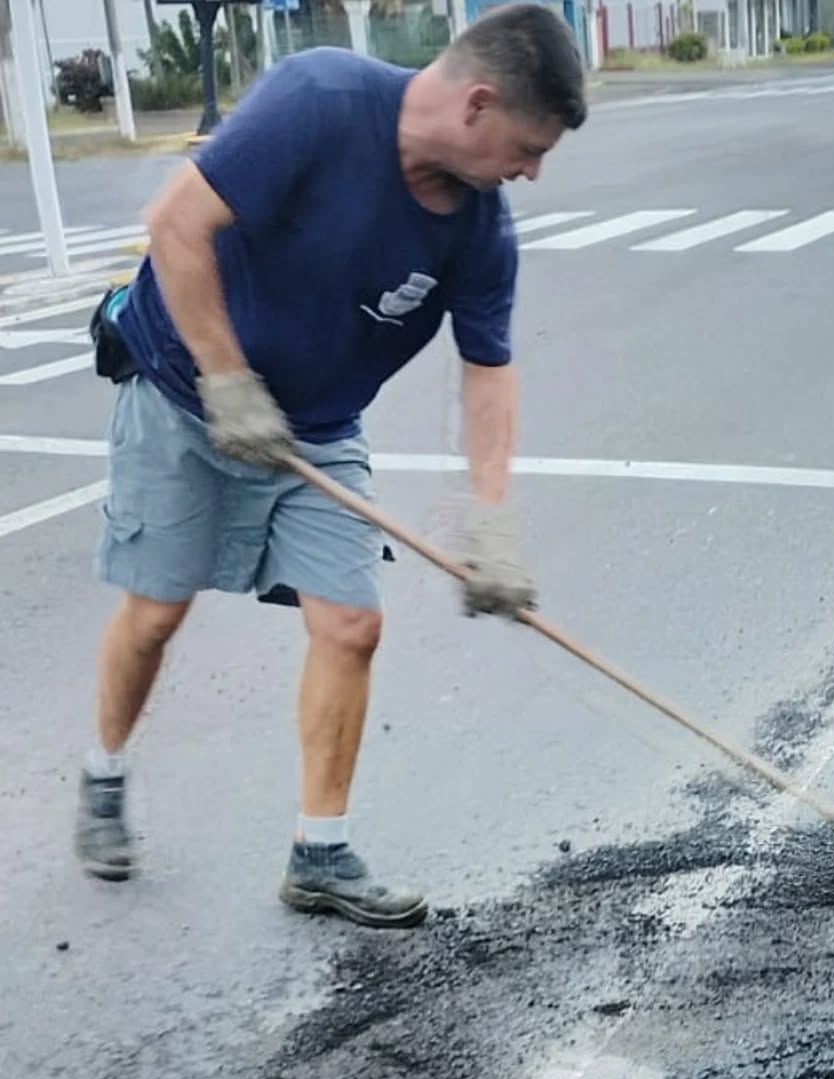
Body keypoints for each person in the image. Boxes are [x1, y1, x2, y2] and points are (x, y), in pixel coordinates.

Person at [76, 3, 587, 929]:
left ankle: (320, 851)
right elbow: (175, 226)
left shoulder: (479, 229)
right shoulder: (318, 101)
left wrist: (491, 522)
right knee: (154, 614)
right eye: (528, 145)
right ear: (477, 104)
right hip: (185, 392)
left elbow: (489, 371)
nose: (531, 170)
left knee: (351, 625)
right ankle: (103, 772)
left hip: (318, 426)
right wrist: (229, 384)